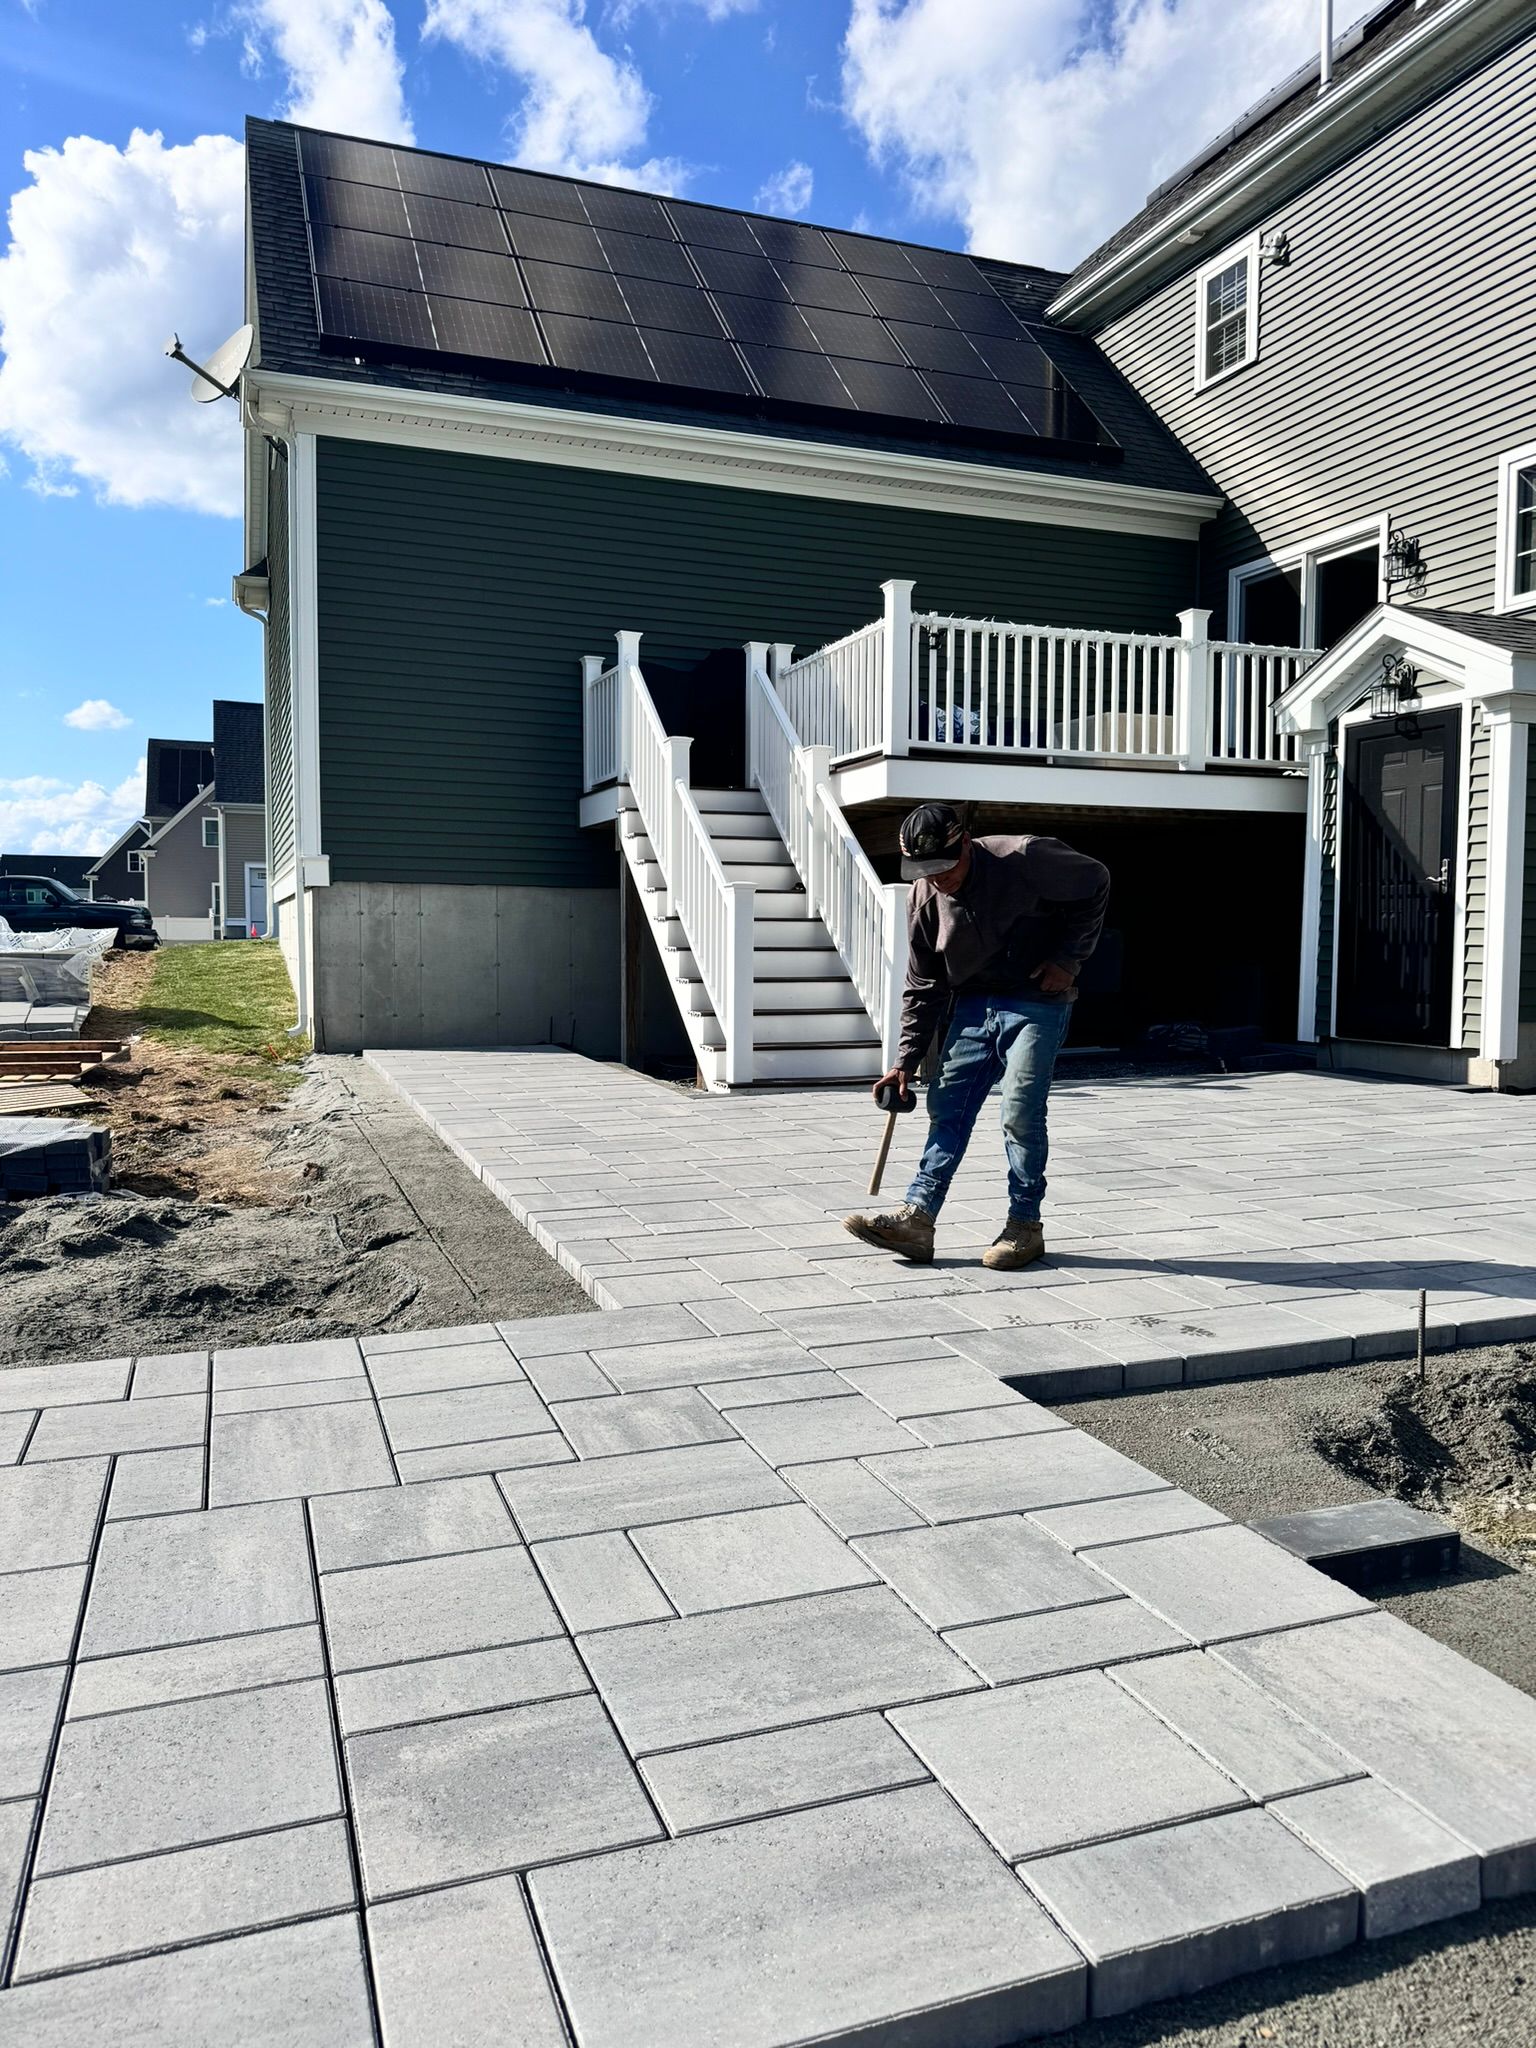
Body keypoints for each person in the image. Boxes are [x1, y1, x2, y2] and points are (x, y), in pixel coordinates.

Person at [843, 803, 1110, 1270]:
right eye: (924, 870)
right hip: (971, 1005)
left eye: (944, 865)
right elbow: (923, 984)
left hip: (1036, 1002)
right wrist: (904, 1061)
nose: (937, 877)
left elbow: (1096, 882)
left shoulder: (1026, 857)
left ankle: (1024, 1225)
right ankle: (918, 1220)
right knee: (947, 1109)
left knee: (1021, 1113)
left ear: (965, 842)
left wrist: (1069, 959)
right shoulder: (924, 897)